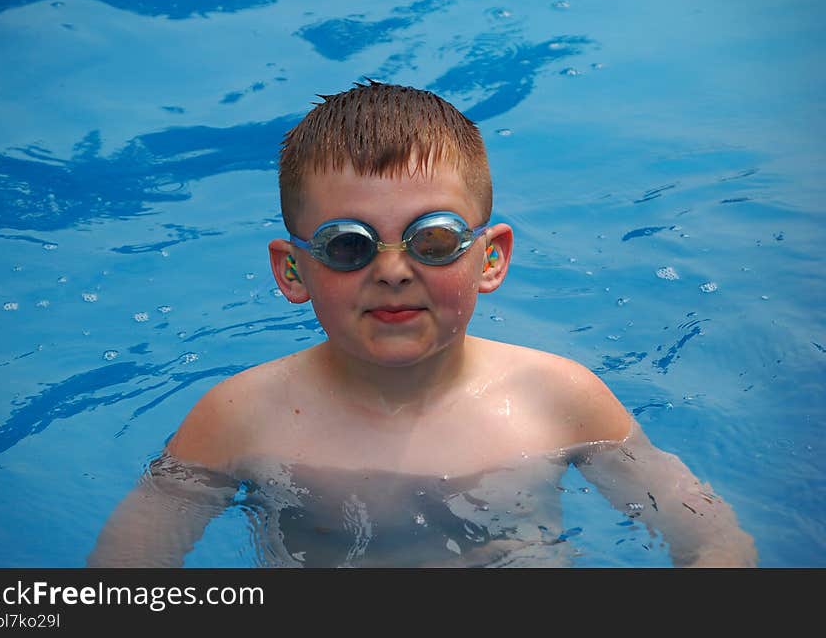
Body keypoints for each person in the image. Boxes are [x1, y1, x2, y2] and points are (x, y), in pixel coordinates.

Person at [88, 81, 757, 567]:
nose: (393, 269)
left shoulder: (559, 398)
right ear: (293, 272)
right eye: (350, 244)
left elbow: (713, 537)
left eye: (431, 239)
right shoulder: (238, 416)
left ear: (490, 257)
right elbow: (123, 574)